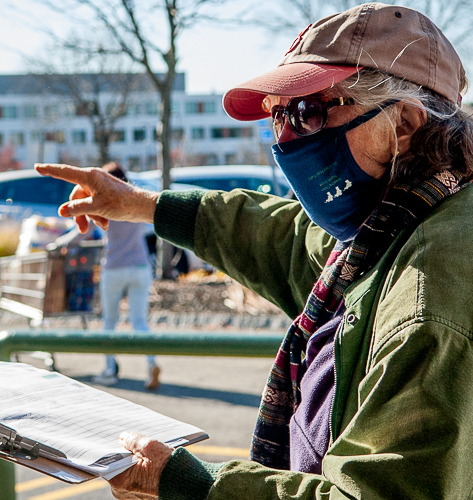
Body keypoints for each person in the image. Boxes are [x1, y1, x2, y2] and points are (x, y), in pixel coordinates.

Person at [35, 2, 473, 498]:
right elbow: (282, 239)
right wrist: (142, 205)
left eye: (308, 111)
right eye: (277, 115)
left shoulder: (430, 296)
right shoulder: (391, 225)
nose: (285, 138)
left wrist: (192, 486)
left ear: (406, 123)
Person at [92, 162, 160, 390]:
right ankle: (151, 364)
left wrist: (59, 244)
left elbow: (81, 231)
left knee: (109, 322)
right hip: (140, 266)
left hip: (114, 268)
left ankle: (109, 370)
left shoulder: (103, 203)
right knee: (139, 321)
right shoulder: (135, 200)